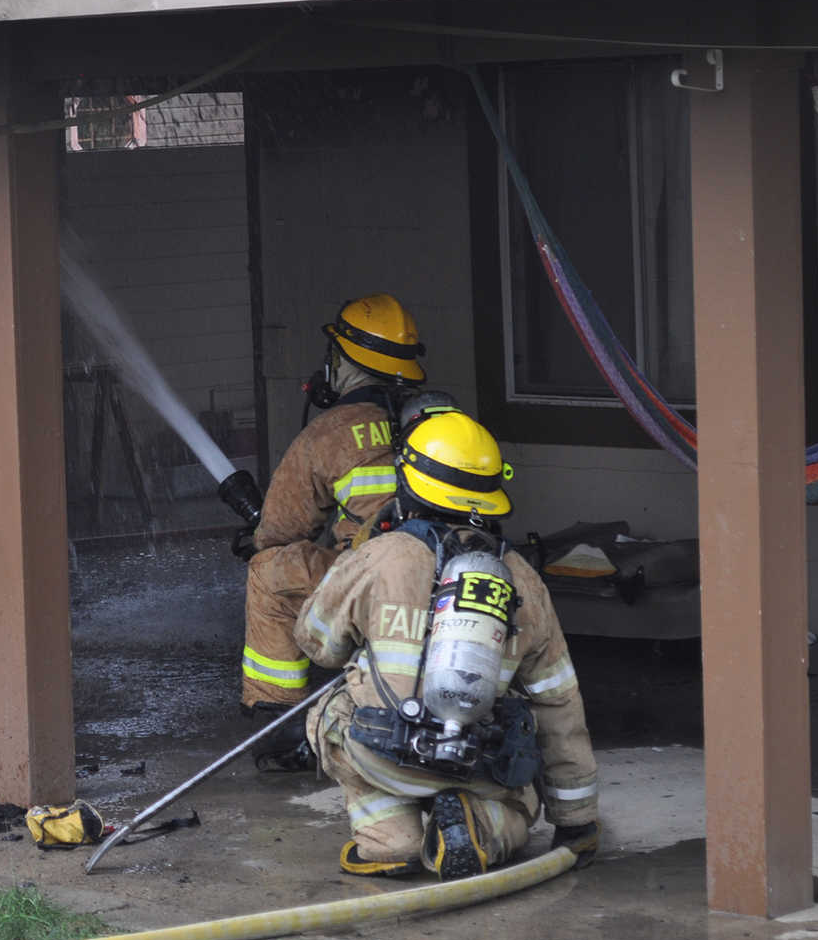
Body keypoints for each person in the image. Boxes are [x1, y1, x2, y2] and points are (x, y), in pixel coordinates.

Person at [292, 411, 601, 879]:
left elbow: (317, 645)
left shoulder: (382, 555)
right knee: (522, 803)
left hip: (382, 752)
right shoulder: (523, 579)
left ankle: (390, 841)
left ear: (409, 483)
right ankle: (482, 826)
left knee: (328, 714)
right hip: (477, 763)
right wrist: (576, 822)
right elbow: (558, 702)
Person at [237, 295, 429, 721]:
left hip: (372, 581)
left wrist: (256, 541)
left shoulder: (328, 434)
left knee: (268, 573)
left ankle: (278, 718)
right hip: (446, 573)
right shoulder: (439, 421)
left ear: (341, 359)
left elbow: (281, 533)